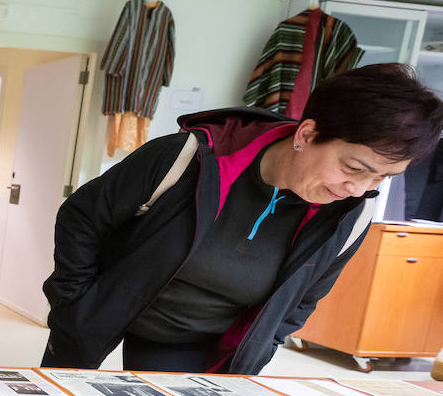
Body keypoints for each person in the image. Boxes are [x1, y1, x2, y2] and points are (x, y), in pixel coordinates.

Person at [43, 62, 443, 375]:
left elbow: (303, 299)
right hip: (105, 306)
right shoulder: (187, 157)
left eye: (381, 178)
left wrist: (262, 344)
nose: (359, 188)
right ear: (306, 134)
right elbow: (82, 217)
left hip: (196, 345)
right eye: (354, 167)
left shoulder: (352, 213)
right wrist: (72, 303)